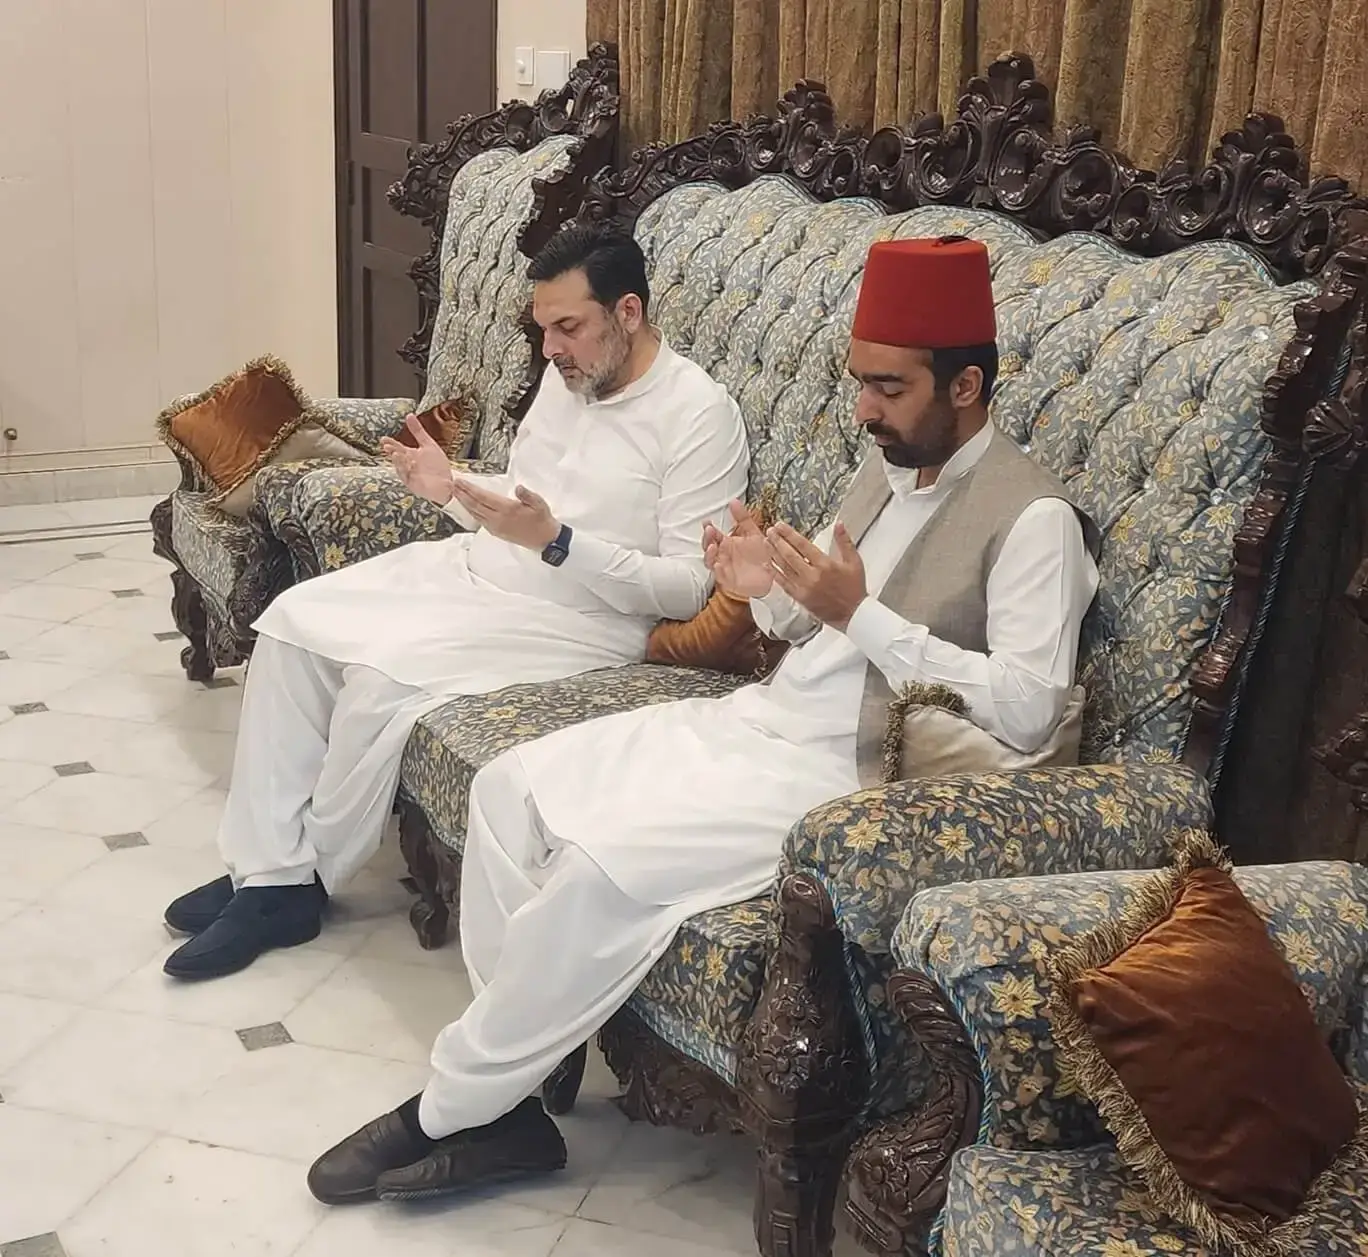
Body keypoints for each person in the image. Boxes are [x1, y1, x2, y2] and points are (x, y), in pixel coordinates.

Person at [305, 235, 1101, 1205]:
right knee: (510, 789)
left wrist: (864, 617)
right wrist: (760, 591)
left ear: (967, 384)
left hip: (846, 778)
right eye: (860, 384)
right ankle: (511, 1115)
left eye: (888, 388)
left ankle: (448, 1109)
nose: (864, 410)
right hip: (759, 717)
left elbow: (1026, 708)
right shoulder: (885, 466)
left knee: (599, 871)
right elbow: (805, 625)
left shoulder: (1034, 522)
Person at [159, 223, 750, 981]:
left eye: (568, 327)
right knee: (294, 626)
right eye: (543, 330)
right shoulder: (568, 379)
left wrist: (560, 542)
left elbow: (690, 586)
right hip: (482, 569)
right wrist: (455, 491)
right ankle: (267, 870)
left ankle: (297, 886)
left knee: (381, 685)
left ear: (628, 312)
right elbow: (524, 498)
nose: (551, 350)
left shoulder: (697, 413)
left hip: (580, 620)